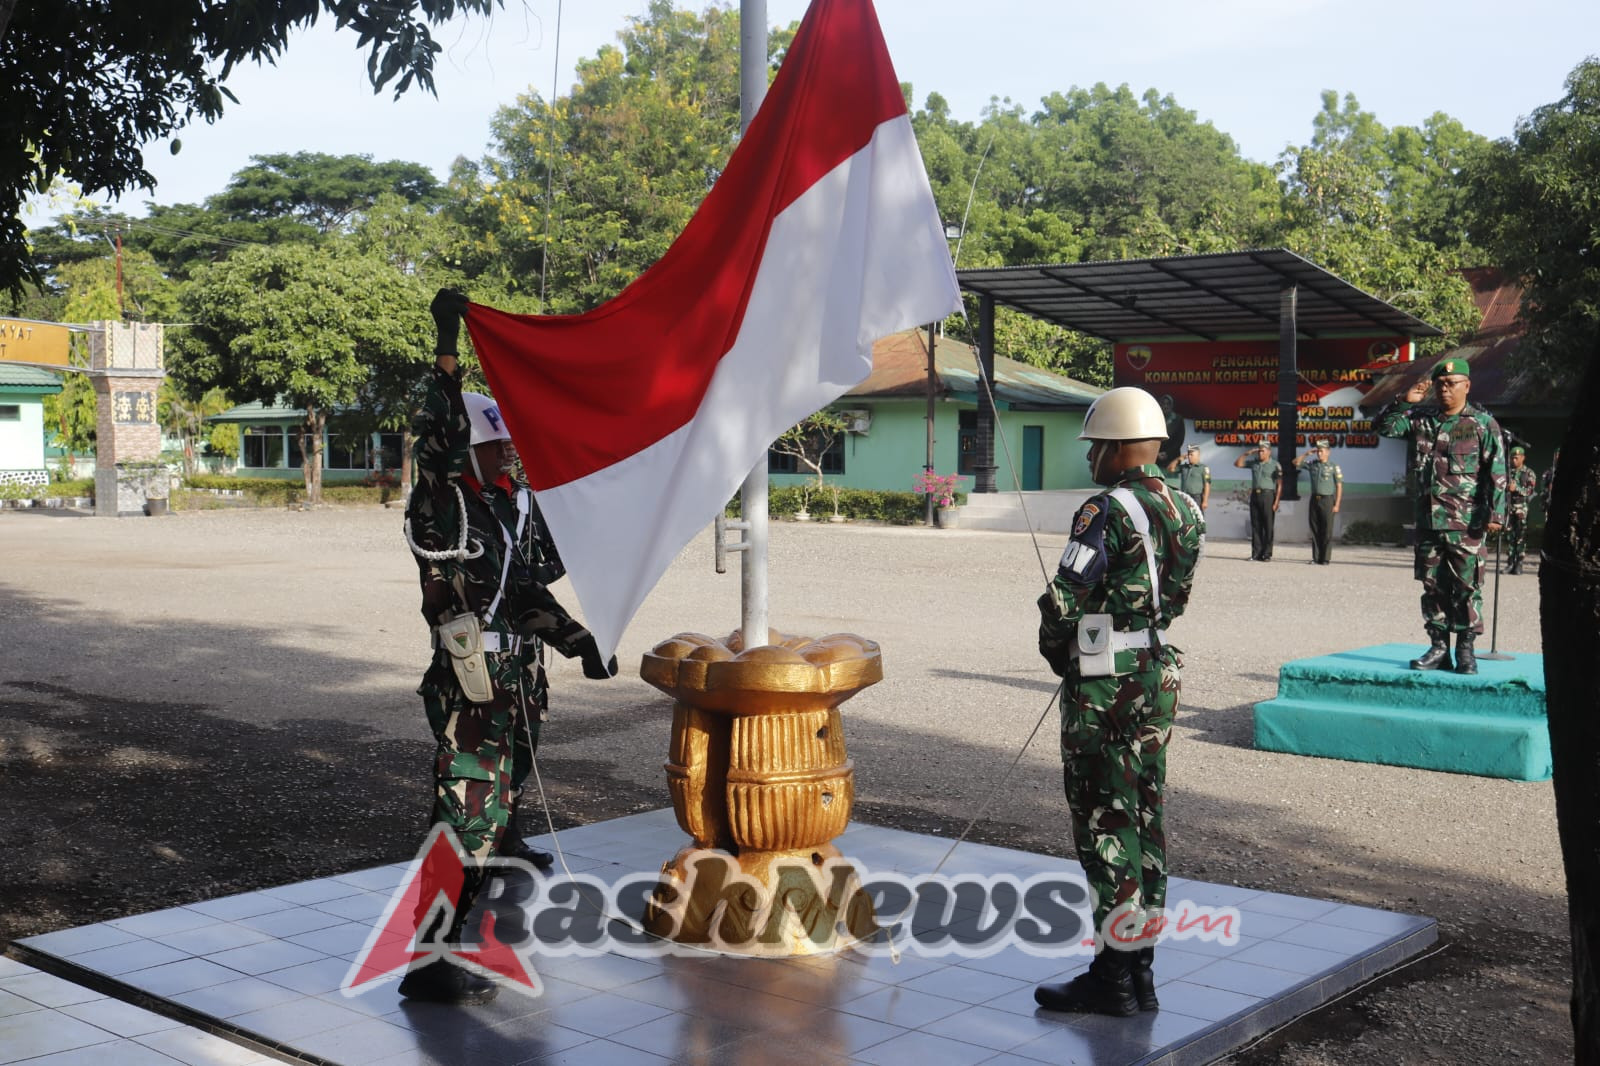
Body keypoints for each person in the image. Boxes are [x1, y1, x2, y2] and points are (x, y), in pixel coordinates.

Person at [399, 289, 619, 1004]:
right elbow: (431, 432)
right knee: (462, 816)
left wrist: (579, 641)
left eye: (504, 441)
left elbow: (524, 592)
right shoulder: (442, 499)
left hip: (513, 679)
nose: (506, 449)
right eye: (493, 440)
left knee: (488, 814)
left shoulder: (499, 507)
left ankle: (455, 927)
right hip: (471, 684)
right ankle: (430, 960)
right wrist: (446, 347)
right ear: (467, 443)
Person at [1034, 387, 1205, 1018]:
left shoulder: (1102, 510)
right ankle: (1142, 971)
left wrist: (1061, 656)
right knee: (1146, 817)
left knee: (1106, 823)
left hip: (1105, 681)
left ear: (1116, 446)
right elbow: (1177, 596)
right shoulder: (1186, 506)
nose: (1089, 461)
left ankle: (1112, 976)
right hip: (1157, 670)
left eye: (1094, 448)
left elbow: (1063, 600)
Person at [1377, 358, 1506, 675]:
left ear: (1467, 386)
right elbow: (1383, 427)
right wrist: (1402, 402)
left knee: (1466, 587)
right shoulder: (1422, 420)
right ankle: (1438, 648)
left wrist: (1497, 513)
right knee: (1432, 586)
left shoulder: (1482, 424)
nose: (1445, 389)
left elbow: (1498, 472)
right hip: (1428, 521)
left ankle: (1465, 650)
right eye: (1440, 384)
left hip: (1467, 524)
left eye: (1452, 383)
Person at [1293, 440, 1343, 565]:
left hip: (1327, 500)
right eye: (1318, 451)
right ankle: (1316, 558)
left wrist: (1337, 504)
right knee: (1315, 528)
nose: (1319, 454)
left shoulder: (1333, 467)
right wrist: (1307, 454)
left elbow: (1339, 486)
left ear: (1328, 452)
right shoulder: (1313, 464)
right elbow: (1295, 462)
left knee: (1326, 530)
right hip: (1314, 499)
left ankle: (1325, 558)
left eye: (1322, 451)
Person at [1233, 441, 1281, 561]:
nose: (1260, 453)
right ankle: (1256, 553)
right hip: (1255, 495)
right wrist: (1247, 453)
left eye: (1263, 451)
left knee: (1268, 526)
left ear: (1269, 452)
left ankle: (1267, 554)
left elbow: (1280, 484)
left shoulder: (1275, 465)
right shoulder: (1254, 463)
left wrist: (1276, 501)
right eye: (1259, 450)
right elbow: (1237, 464)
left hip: (1268, 495)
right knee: (1256, 525)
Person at [1505, 445, 1538, 575]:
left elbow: (1530, 491)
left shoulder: (1529, 473)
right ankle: (1510, 562)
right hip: (1509, 507)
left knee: (1520, 536)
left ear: (1523, 458)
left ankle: (1519, 563)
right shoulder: (1508, 472)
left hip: (1521, 508)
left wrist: (1516, 488)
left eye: (1517, 458)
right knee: (1510, 536)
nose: (1514, 460)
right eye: (1512, 458)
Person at [1164, 444, 1211, 512]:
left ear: (1198, 455)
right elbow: (1170, 469)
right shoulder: (1184, 467)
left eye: (1191, 454)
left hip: (1197, 497)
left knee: (1197, 516)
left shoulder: (1203, 468)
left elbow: (1207, 485)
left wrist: (1205, 501)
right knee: (1184, 515)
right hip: (1184, 496)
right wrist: (1178, 459)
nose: (1189, 457)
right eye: (1188, 454)